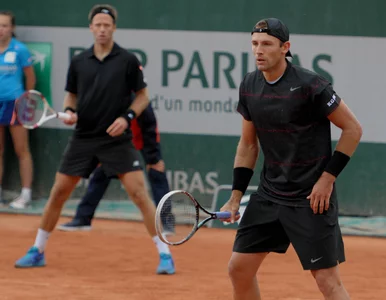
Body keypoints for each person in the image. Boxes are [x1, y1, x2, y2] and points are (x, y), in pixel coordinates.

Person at [14, 4, 175, 275]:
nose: (102, 29)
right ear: (91, 28)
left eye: (106, 25)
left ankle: (165, 254)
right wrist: (71, 112)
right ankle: (37, 250)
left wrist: (126, 117)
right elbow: (71, 95)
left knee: (139, 195)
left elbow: (143, 96)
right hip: (84, 138)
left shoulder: (126, 60)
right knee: (58, 193)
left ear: (113, 28)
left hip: (117, 139)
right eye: (97, 25)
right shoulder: (79, 61)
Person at [220, 18, 362, 300]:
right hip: (270, 194)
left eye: (267, 44)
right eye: (255, 44)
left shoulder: (312, 86)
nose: (259, 51)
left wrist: (327, 178)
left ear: (285, 47)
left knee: (326, 281)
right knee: (239, 268)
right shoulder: (249, 84)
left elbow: (353, 129)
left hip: (311, 198)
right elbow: (248, 146)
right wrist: (235, 196)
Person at [57, 101, 175, 234]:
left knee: (156, 170)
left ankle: (166, 224)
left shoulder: (134, 92)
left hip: (143, 132)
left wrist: (152, 155)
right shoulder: (107, 92)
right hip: (118, 136)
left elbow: (148, 120)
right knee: (101, 173)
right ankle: (82, 218)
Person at [0, 11, 35, 208]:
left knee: (21, 150)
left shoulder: (20, 50)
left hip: (15, 103)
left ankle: (26, 194)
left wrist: (27, 100)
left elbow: (30, 77)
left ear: (12, 28)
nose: (0, 29)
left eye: (5, 25)